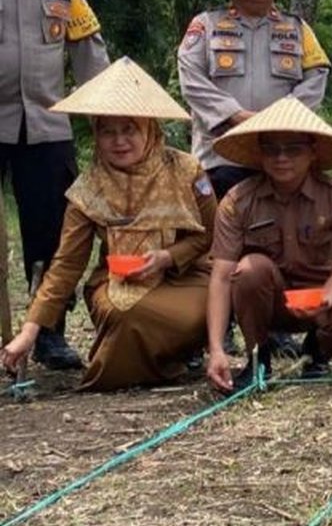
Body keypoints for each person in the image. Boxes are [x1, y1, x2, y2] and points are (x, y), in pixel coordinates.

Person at [0, 58, 210, 391]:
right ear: (96, 135)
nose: (119, 141)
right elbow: (66, 266)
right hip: (117, 281)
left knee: (198, 312)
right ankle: (163, 360)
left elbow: (210, 237)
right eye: (107, 131)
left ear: (149, 129)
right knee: (127, 314)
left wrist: (168, 258)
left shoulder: (187, 170)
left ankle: (179, 349)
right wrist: (30, 331)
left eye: (129, 129)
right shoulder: (89, 188)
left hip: (184, 277)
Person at [0, 0, 111, 369]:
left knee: (51, 233)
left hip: (47, 126)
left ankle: (47, 333)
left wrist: (107, 116)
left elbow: (90, 53)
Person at [203, 96, 332, 392]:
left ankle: (317, 352)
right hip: (269, 300)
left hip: (321, 298)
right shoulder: (237, 202)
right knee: (250, 269)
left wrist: (324, 300)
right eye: (271, 149)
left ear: (312, 153)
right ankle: (258, 357)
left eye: (293, 149)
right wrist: (216, 348)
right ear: (260, 154)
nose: (282, 158)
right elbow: (222, 276)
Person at [177, 0, 329, 199]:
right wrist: (235, 115)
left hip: (282, 156)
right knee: (218, 234)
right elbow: (191, 78)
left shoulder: (297, 28)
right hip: (219, 158)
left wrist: (281, 120)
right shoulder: (205, 25)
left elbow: (317, 77)